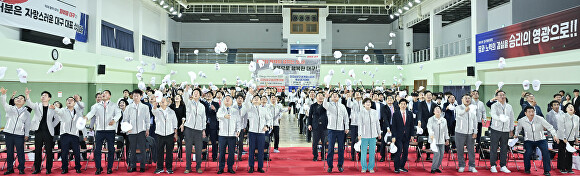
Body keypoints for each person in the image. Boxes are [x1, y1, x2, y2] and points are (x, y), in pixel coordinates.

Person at [84, 90, 122, 175]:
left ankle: (109, 168)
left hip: (110, 130)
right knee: (97, 150)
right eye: (103, 93)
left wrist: (114, 120)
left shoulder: (114, 105)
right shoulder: (96, 106)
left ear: (110, 96)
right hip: (99, 130)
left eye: (106, 93)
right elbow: (91, 113)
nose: (103, 94)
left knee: (111, 149)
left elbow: (119, 114)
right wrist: (86, 117)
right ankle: (98, 168)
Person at [514, 106, 558, 176]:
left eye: (533, 111)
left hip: (541, 139)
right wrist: (516, 135)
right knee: (527, 154)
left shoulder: (540, 119)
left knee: (546, 153)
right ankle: (527, 169)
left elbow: (550, 127)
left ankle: (547, 171)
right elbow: (518, 129)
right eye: (529, 112)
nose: (531, 113)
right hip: (529, 140)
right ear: (525, 113)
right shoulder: (521, 120)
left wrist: (555, 135)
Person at [25, 89, 60, 174]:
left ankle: (48, 168)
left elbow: (58, 118)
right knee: (37, 151)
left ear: (49, 98)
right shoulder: (37, 105)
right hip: (38, 131)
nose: (43, 96)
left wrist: (52, 125)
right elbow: (29, 104)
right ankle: (37, 168)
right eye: (42, 95)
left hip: (48, 132)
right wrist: (27, 96)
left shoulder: (52, 107)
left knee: (49, 151)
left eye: (45, 95)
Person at [0, 87, 31, 175]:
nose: (18, 99)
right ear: (14, 101)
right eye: (17, 98)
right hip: (9, 133)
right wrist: (3, 94)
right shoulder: (10, 108)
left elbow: (27, 124)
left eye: (21, 98)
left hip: (19, 135)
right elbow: (3, 103)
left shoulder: (26, 112)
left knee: (20, 152)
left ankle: (21, 169)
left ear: (24, 102)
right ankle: (10, 169)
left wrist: (26, 134)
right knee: (9, 152)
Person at [54, 97, 86, 174]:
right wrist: (54, 107)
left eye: (71, 100)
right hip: (65, 135)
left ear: (74, 103)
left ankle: (78, 167)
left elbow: (82, 123)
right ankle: (64, 168)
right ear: (65, 103)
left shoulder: (78, 112)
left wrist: (85, 135)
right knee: (64, 153)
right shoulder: (62, 110)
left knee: (77, 152)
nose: (69, 101)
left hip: (75, 135)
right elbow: (57, 111)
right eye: (67, 100)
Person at [240, 89, 270, 173]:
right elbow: (246, 103)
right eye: (254, 98)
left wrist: (266, 126)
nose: (256, 99)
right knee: (251, 150)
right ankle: (251, 167)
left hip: (261, 133)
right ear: (252, 100)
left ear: (261, 101)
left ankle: (260, 167)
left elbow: (269, 119)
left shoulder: (264, 109)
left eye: (258, 98)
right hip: (252, 132)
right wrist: (249, 94)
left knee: (261, 151)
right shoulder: (250, 108)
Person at [122, 89, 150, 173]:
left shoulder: (145, 107)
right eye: (134, 96)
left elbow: (147, 120)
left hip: (142, 131)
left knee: (142, 149)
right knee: (132, 150)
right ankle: (133, 166)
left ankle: (142, 166)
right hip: (131, 132)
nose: (136, 97)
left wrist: (147, 129)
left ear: (141, 96)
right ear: (132, 96)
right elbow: (125, 119)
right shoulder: (129, 107)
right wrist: (127, 129)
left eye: (137, 96)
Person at [323, 89, 349, 173]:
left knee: (341, 148)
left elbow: (346, 118)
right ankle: (330, 166)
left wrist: (346, 127)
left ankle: (340, 165)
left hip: (341, 130)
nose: (335, 96)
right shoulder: (329, 105)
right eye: (333, 95)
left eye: (336, 95)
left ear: (339, 97)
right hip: (331, 129)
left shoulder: (342, 106)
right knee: (331, 148)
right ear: (331, 97)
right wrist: (325, 98)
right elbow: (324, 105)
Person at [182, 87, 207, 174]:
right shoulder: (188, 103)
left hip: (198, 130)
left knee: (198, 149)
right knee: (188, 149)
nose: (195, 93)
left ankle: (198, 167)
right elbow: (185, 98)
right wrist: (185, 91)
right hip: (189, 129)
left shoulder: (202, 106)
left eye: (197, 92)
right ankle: (188, 167)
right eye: (194, 92)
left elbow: (204, 118)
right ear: (192, 95)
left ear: (200, 95)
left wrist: (203, 130)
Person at [488, 90, 514, 173]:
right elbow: (493, 114)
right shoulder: (494, 105)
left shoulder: (509, 106)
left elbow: (512, 118)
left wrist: (511, 129)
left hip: (506, 130)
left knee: (504, 148)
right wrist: (500, 118)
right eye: (500, 95)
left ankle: (503, 165)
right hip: (495, 129)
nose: (502, 96)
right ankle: (493, 165)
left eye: (503, 95)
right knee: (494, 148)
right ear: (496, 97)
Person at [151, 97, 178, 174]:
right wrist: (155, 105)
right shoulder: (157, 110)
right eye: (161, 101)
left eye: (164, 101)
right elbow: (153, 111)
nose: (162, 102)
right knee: (159, 152)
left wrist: (175, 133)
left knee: (169, 152)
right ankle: (160, 168)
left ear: (167, 102)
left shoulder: (171, 111)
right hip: (160, 134)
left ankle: (169, 168)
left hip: (170, 134)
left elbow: (175, 123)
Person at [216, 95, 241, 174]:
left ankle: (230, 167)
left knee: (231, 153)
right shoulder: (221, 109)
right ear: (223, 101)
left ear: (232, 101)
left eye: (229, 99)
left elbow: (238, 122)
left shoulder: (235, 111)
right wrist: (224, 116)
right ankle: (221, 168)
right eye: (225, 99)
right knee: (222, 152)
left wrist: (238, 130)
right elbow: (218, 116)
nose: (227, 100)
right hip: (222, 135)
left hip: (232, 135)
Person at [455, 94, 478, 173]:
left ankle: (472, 166)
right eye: (466, 98)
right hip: (460, 132)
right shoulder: (458, 107)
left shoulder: (473, 108)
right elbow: (460, 113)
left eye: (469, 98)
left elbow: (475, 121)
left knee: (471, 150)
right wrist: (466, 109)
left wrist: (475, 131)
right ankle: (461, 165)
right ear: (462, 99)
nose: (467, 99)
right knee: (460, 150)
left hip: (470, 133)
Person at [357, 98, 381, 173]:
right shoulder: (361, 112)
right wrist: (359, 134)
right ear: (363, 104)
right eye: (366, 102)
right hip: (364, 135)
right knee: (363, 152)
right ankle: (363, 167)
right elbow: (359, 124)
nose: (368, 103)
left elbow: (377, 123)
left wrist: (379, 132)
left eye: (369, 102)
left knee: (372, 152)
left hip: (373, 135)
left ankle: (371, 167)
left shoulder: (374, 112)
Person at [391, 99, 414, 173]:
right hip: (398, 136)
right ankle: (396, 167)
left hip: (407, 136)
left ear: (406, 105)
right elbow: (393, 126)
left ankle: (402, 166)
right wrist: (393, 136)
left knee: (406, 152)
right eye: (402, 104)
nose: (403, 105)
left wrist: (412, 135)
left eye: (405, 104)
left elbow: (411, 126)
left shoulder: (410, 113)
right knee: (399, 151)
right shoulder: (396, 114)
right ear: (399, 105)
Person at [556, 103, 579, 174]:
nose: (570, 108)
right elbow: (561, 128)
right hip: (562, 137)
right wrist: (563, 137)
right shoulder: (562, 116)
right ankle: (562, 168)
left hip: (571, 138)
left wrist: (576, 137)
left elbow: (576, 128)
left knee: (569, 153)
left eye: (572, 106)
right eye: (568, 107)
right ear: (566, 109)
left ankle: (569, 168)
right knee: (562, 153)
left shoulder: (577, 118)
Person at [427, 106, 449, 173]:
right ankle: (433, 168)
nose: (437, 110)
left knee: (441, 154)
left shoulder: (444, 120)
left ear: (441, 111)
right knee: (437, 154)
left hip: (441, 140)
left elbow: (446, 130)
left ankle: (437, 167)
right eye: (436, 109)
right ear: (434, 112)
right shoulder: (431, 119)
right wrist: (431, 134)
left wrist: (447, 138)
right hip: (434, 140)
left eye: (439, 109)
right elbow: (429, 128)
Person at [308, 92, 328, 161]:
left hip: (324, 126)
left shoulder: (326, 105)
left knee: (324, 142)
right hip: (315, 126)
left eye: (321, 96)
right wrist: (309, 124)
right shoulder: (313, 106)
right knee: (315, 143)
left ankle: (323, 156)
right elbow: (310, 116)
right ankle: (315, 156)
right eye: (319, 96)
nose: (320, 97)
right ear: (316, 97)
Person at [417, 91, 437, 161]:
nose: (429, 96)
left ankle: (428, 156)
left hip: (431, 125)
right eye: (427, 95)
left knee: (429, 140)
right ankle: (418, 156)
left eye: (430, 95)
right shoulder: (421, 104)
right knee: (420, 141)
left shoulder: (434, 104)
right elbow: (419, 113)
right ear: (424, 96)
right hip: (423, 124)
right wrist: (419, 121)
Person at [202, 91, 220, 162]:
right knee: (204, 141)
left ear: (213, 96)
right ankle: (204, 156)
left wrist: (215, 109)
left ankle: (214, 157)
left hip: (213, 125)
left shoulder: (216, 104)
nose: (208, 96)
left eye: (210, 95)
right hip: (205, 125)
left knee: (214, 142)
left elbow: (219, 113)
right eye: (207, 95)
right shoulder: (203, 103)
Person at [346, 91, 362, 161]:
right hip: (354, 124)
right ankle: (353, 155)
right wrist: (349, 97)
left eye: (359, 93)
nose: (357, 94)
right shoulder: (353, 102)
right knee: (353, 140)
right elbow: (348, 104)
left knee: (361, 140)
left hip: (362, 124)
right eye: (356, 94)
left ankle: (361, 155)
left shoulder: (363, 102)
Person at [169, 94, 186, 162]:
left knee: (180, 141)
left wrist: (182, 124)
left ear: (181, 99)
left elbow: (184, 116)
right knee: (171, 141)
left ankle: (180, 156)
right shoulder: (171, 106)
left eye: (178, 96)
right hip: (172, 125)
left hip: (180, 125)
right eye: (176, 96)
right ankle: (170, 156)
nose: (177, 97)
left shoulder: (183, 106)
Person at [232, 94, 247, 161]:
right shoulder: (233, 106)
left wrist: (244, 126)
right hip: (233, 127)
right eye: (238, 98)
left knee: (240, 142)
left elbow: (245, 118)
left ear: (243, 100)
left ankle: (240, 155)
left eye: (241, 98)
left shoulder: (245, 107)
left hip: (241, 127)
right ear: (236, 99)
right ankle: (232, 154)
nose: (240, 99)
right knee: (233, 141)